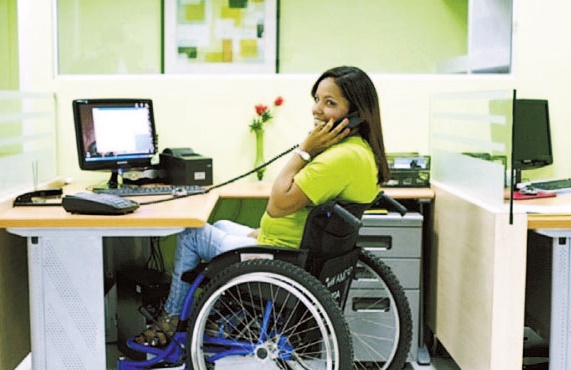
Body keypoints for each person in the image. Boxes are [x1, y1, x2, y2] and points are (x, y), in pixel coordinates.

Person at [135, 66, 390, 346]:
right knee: (219, 226)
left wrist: (304, 151)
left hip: (283, 260)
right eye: (317, 99)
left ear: (355, 114)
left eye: (330, 103)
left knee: (191, 234)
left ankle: (170, 321)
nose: (316, 109)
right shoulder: (362, 151)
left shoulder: (339, 158)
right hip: (293, 248)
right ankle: (220, 319)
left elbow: (278, 205)